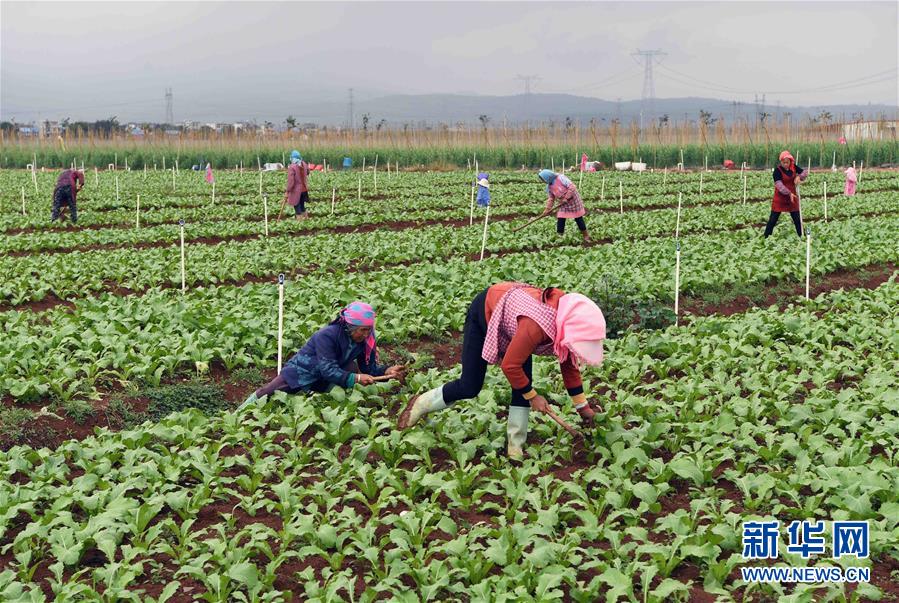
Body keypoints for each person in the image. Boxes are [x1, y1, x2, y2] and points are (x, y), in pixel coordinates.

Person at [397, 282, 606, 459]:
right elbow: (510, 366)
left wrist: (583, 408)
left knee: (523, 383)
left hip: (514, 323)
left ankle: (515, 447)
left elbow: (568, 365)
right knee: (470, 385)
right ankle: (422, 403)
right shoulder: (536, 326)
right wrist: (534, 397)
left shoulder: (564, 323)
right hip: (486, 312)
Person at [239, 302, 406, 410]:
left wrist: (387, 372)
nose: (366, 334)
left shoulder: (365, 340)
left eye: (369, 330)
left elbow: (368, 369)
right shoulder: (327, 335)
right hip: (303, 371)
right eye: (362, 330)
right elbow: (327, 369)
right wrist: (356, 378)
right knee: (267, 392)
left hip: (329, 376)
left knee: (345, 386)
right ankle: (240, 412)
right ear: (350, 326)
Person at [538, 169, 591, 243]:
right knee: (560, 218)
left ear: (548, 177)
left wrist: (566, 197)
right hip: (563, 203)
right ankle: (560, 237)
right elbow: (551, 198)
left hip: (573, 200)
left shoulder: (560, 178)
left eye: (543, 179)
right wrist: (547, 209)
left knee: (578, 218)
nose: (543, 181)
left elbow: (572, 186)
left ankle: (586, 235)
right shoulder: (549, 187)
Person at [764, 151, 808, 238]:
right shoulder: (777, 171)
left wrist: (799, 177)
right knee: (773, 219)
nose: (785, 164)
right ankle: (766, 237)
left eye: (787, 162)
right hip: (780, 198)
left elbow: (805, 173)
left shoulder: (793, 167)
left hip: (792, 197)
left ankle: (802, 236)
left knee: (797, 218)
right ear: (781, 162)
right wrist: (789, 193)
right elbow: (779, 186)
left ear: (790, 161)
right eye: (783, 162)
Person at [285, 150, 310, 220]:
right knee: (302, 205)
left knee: (297, 206)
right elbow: (308, 172)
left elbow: (291, 182)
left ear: (293, 158)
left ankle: (299, 222)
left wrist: (287, 191)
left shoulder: (292, 167)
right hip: (304, 189)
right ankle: (306, 219)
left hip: (296, 191)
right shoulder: (304, 164)